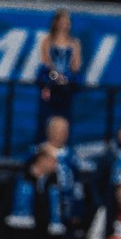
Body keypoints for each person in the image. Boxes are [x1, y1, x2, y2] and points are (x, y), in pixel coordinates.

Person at [35, 9, 82, 143]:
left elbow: (76, 66)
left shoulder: (74, 43)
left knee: (65, 119)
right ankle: (43, 145)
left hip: (66, 87)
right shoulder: (47, 40)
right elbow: (46, 63)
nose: (64, 24)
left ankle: (63, 145)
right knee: (46, 119)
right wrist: (56, 77)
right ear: (55, 22)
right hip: (50, 83)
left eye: (66, 22)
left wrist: (66, 79)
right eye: (61, 21)